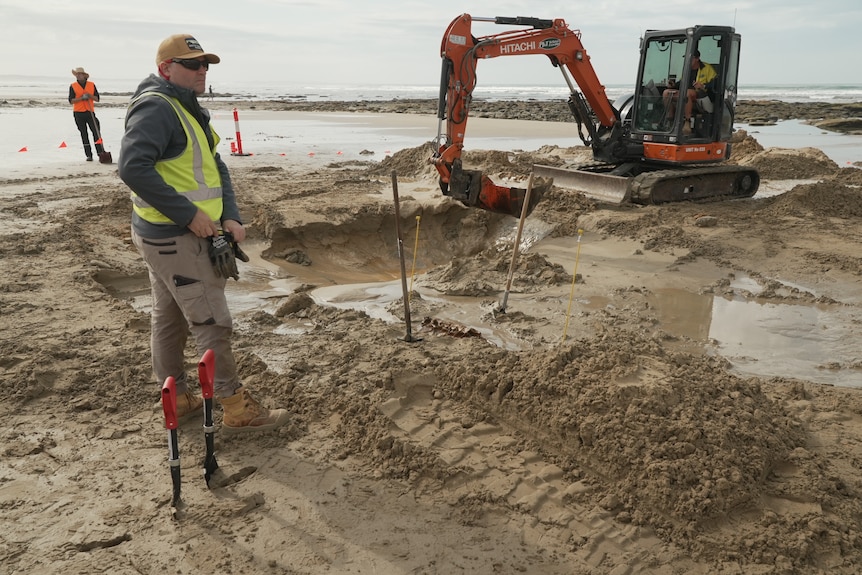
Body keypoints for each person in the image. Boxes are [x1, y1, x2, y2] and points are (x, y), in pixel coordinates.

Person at [118, 34, 289, 433]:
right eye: (192, 64)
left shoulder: (185, 108)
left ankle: (176, 399)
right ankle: (236, 406)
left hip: (162, 237)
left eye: (205, 64)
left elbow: (214, 167)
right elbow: (132, 168)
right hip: (177, 239)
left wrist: (230, 214)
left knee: (170, 318)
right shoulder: (158, 109)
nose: (202, 70)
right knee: (212, 321)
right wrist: (189, 215)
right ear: (166, 69)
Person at [662, 50, 718, 134]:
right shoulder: (687, 70)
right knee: (666, 93)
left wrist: (703, 85)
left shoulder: (707, 68)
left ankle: (687, 122)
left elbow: (716, 84)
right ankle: (670, 119)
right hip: (687, 94)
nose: (688, 61)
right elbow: (682, 82)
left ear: (697, 58)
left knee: (687, 93)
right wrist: (673, 85)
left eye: (690, 58)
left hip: (703, 96)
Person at [68, 67, 106, 161]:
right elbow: (71, 101)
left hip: (90, 112)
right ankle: (89, 155)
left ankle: (100, 153)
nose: (78, 76)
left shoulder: (91, 85)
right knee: (84, 134)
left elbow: (97, 99)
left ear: (84, 76)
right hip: (78, 113)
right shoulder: (73, 86)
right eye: (77, 74)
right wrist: (81, 98)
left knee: (96, 132)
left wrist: (89, 96)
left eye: (80, 74)